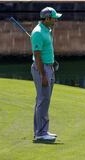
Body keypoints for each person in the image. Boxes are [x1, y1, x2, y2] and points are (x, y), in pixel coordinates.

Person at [30, 7, 62, 142]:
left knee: (43, 100)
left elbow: (44, 50)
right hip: (41, 69)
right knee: (43, 100)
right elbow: (37, 57)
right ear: (47, 18)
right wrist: (43, 75)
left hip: (48, 67)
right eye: (54, 18)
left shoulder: (46, 30)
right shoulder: (38, 32)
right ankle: (40, 134)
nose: (56, 20)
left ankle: (41, 130)